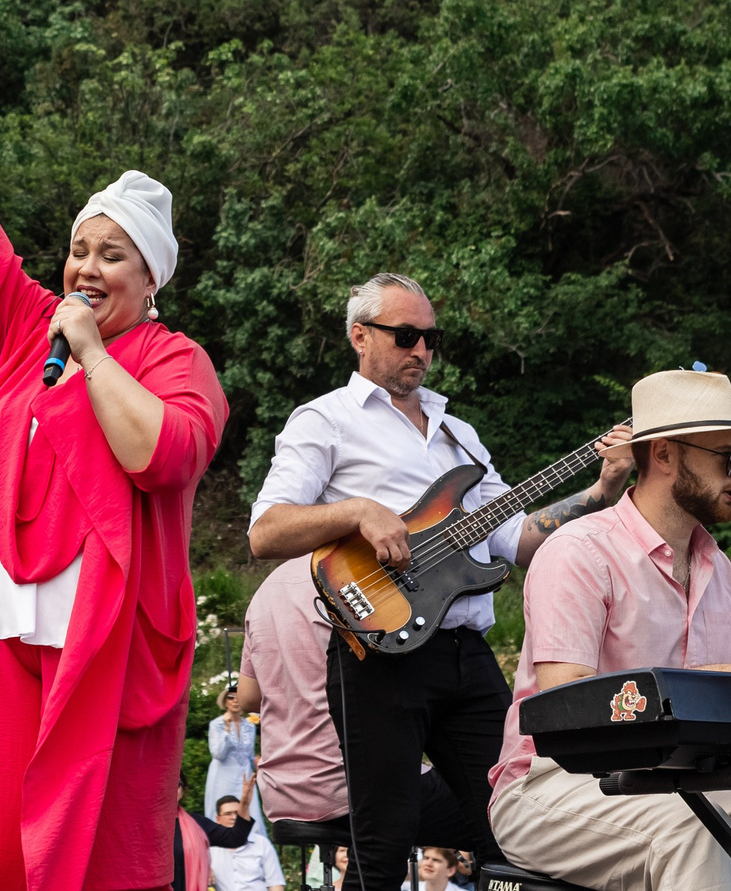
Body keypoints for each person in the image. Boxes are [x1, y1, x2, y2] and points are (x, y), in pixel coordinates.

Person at [0, 31, 229, 891]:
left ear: (153, 280)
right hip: (1, 629)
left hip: (100, 648)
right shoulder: (29, 325)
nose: (86, 268)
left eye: (113, 256)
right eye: (81, 249)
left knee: (92, 850)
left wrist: (92, 356)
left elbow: (161, 455)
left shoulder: (174, 360)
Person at [250, 274, 633, 891]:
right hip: (378, 654)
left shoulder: (459, 434)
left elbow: (519, 541)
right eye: (406, 335)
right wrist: (357, 511)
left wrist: (600, 490)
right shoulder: (325, 420)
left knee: (515, 823)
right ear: (359, 336)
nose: (421, 350)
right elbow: (265, 531)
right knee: (382, 845)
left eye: (431, 337)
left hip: (464, 656)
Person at [488, 369, 731, 890]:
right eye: (728, 457)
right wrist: (722, 678)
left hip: (675, 785)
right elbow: (566, 712)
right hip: (552, 789)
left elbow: (716, 728)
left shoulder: (719, 569)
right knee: (697, 833)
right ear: (663, 455)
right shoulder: (579, 551)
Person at [234, 563, 344, 831]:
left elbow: (247, 698)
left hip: (279, 789)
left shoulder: (265, 590)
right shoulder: (348, 575)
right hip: (343, 785)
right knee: (459, 804)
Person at [203, 689, 261, 837]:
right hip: (222, 776)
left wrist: (258, 763)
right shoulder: (216, 725)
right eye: (230, 697)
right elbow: (217, 754)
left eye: (238, 697)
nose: (235, 700)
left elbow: (248, 755)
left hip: (244, 776)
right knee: (224, 812)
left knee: (249, 811)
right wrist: (227, 731)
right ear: (225, 702)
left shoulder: (250, 726)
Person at [207, 794, 282, 891]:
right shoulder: (209, 848)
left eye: (237, 813)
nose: (234, 817)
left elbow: (275, 883)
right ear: (218, 819)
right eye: (228, 814)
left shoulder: (261, 843)